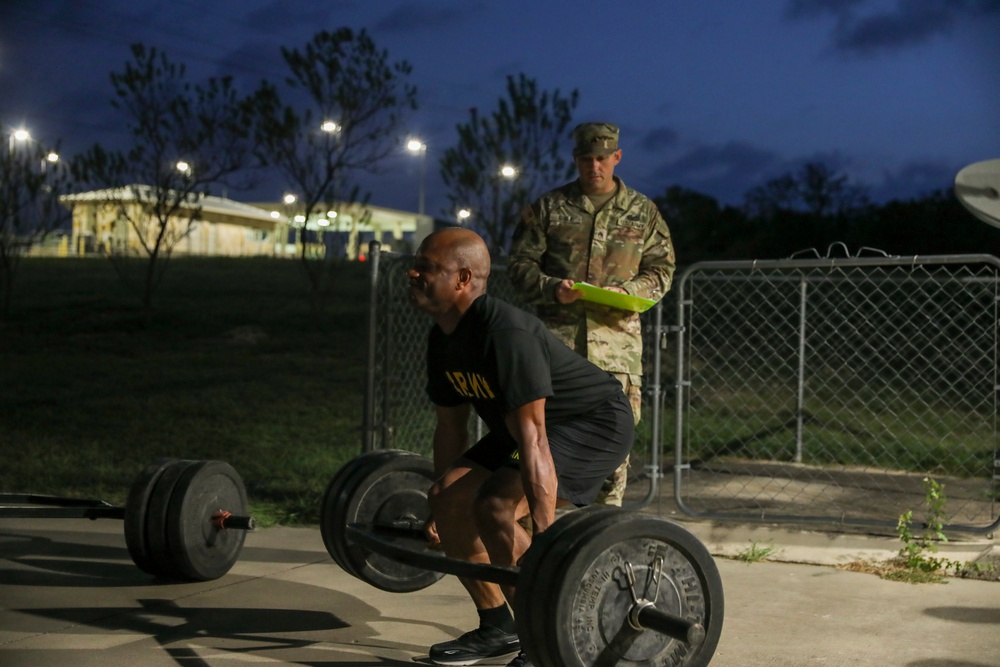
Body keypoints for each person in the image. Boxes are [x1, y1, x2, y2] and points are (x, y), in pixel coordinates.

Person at [409, 227, 634, 667]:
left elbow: (535, 438)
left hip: (591, 422)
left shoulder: (508, 332)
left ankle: (546, 636)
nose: (413, 273)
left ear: (462, 278)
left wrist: (546, 538)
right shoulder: (443, 338)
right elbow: (450, 430)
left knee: (494, 507)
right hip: (528, 430)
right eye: (416, 265)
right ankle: (499, 626)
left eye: (428, 267)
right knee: (448, 499)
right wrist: (442, 508)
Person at [507, 121, 675, 506]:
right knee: (541, 439)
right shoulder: (549, 208)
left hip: (616, 352)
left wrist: (628, 291)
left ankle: (601, 534)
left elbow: (662, 269)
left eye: (602, 158)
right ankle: (532, 531)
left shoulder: (642, 212)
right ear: (575, 159)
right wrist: (552, 288)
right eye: (586, 159)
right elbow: (519, 266)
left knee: (614, 445)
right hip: (555, 350)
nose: (593, 167)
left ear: (617, 157)